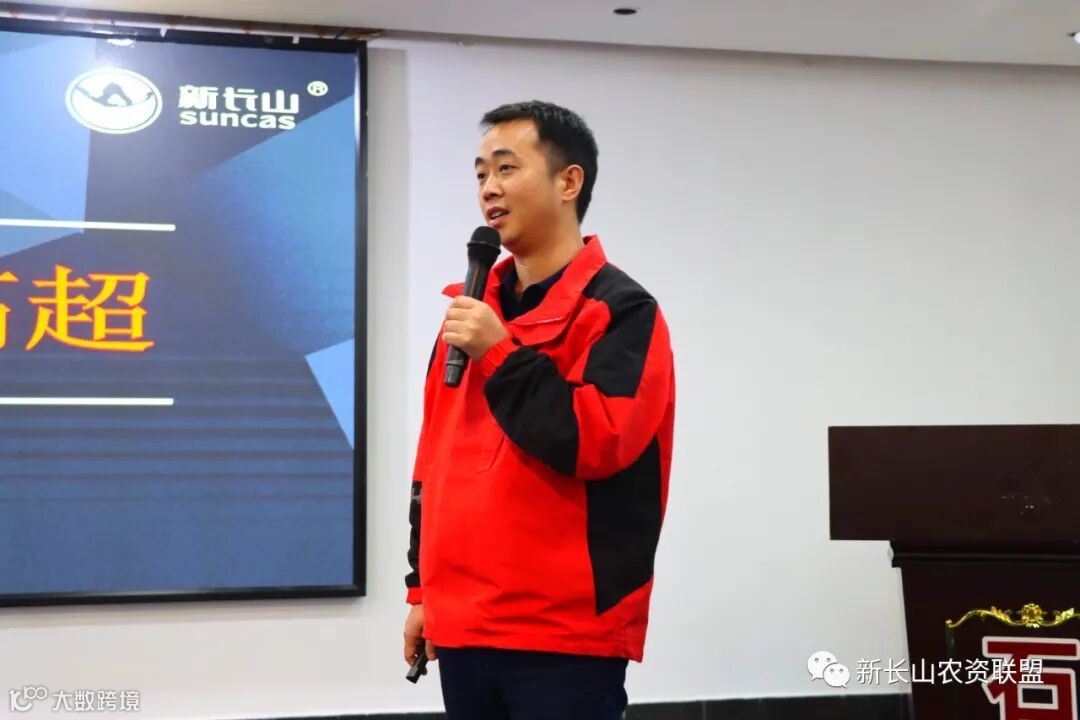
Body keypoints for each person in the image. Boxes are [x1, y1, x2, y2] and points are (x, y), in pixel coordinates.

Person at [402, 100, 676, 720]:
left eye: (506, 168)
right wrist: (422, 591)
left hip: (563, 634)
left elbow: (598, 440)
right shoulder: (471, 313)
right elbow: (431, 463)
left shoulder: (621, 311)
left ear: (568, 181)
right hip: (463, 624)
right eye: (480, 174)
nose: (488, 189)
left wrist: (499, 353)